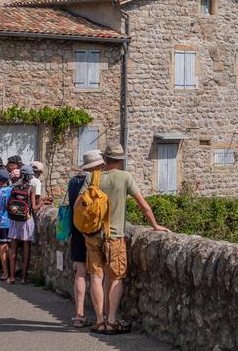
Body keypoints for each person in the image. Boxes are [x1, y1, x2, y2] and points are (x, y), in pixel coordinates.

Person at [75, 143, 168, 335]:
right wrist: (155, 226)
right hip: (114, 236)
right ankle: (111, 321)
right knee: (116, 277)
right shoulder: (125, 177)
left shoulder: (92, 177)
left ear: (105, 159)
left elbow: (78, 204)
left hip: (92, 236)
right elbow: (144, 205)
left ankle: (99, 321)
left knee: (96, 277)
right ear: (119, 160)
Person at [68, 150, 102, 328]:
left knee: (80, 273)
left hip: (77, 230)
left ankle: (79, 315)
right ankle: (101, 317)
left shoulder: (73, 182)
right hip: (94, 232)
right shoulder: (97, 181)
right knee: (97, 274)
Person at [8, 165, 41, 284]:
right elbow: (34, 207)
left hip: (14, 219)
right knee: (26, 249)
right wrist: (41, 202)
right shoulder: (31, 188)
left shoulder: (14, 186)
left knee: (13, 249)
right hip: (26, 220)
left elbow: (10, 203)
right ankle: (23, 278)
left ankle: (11, 277)